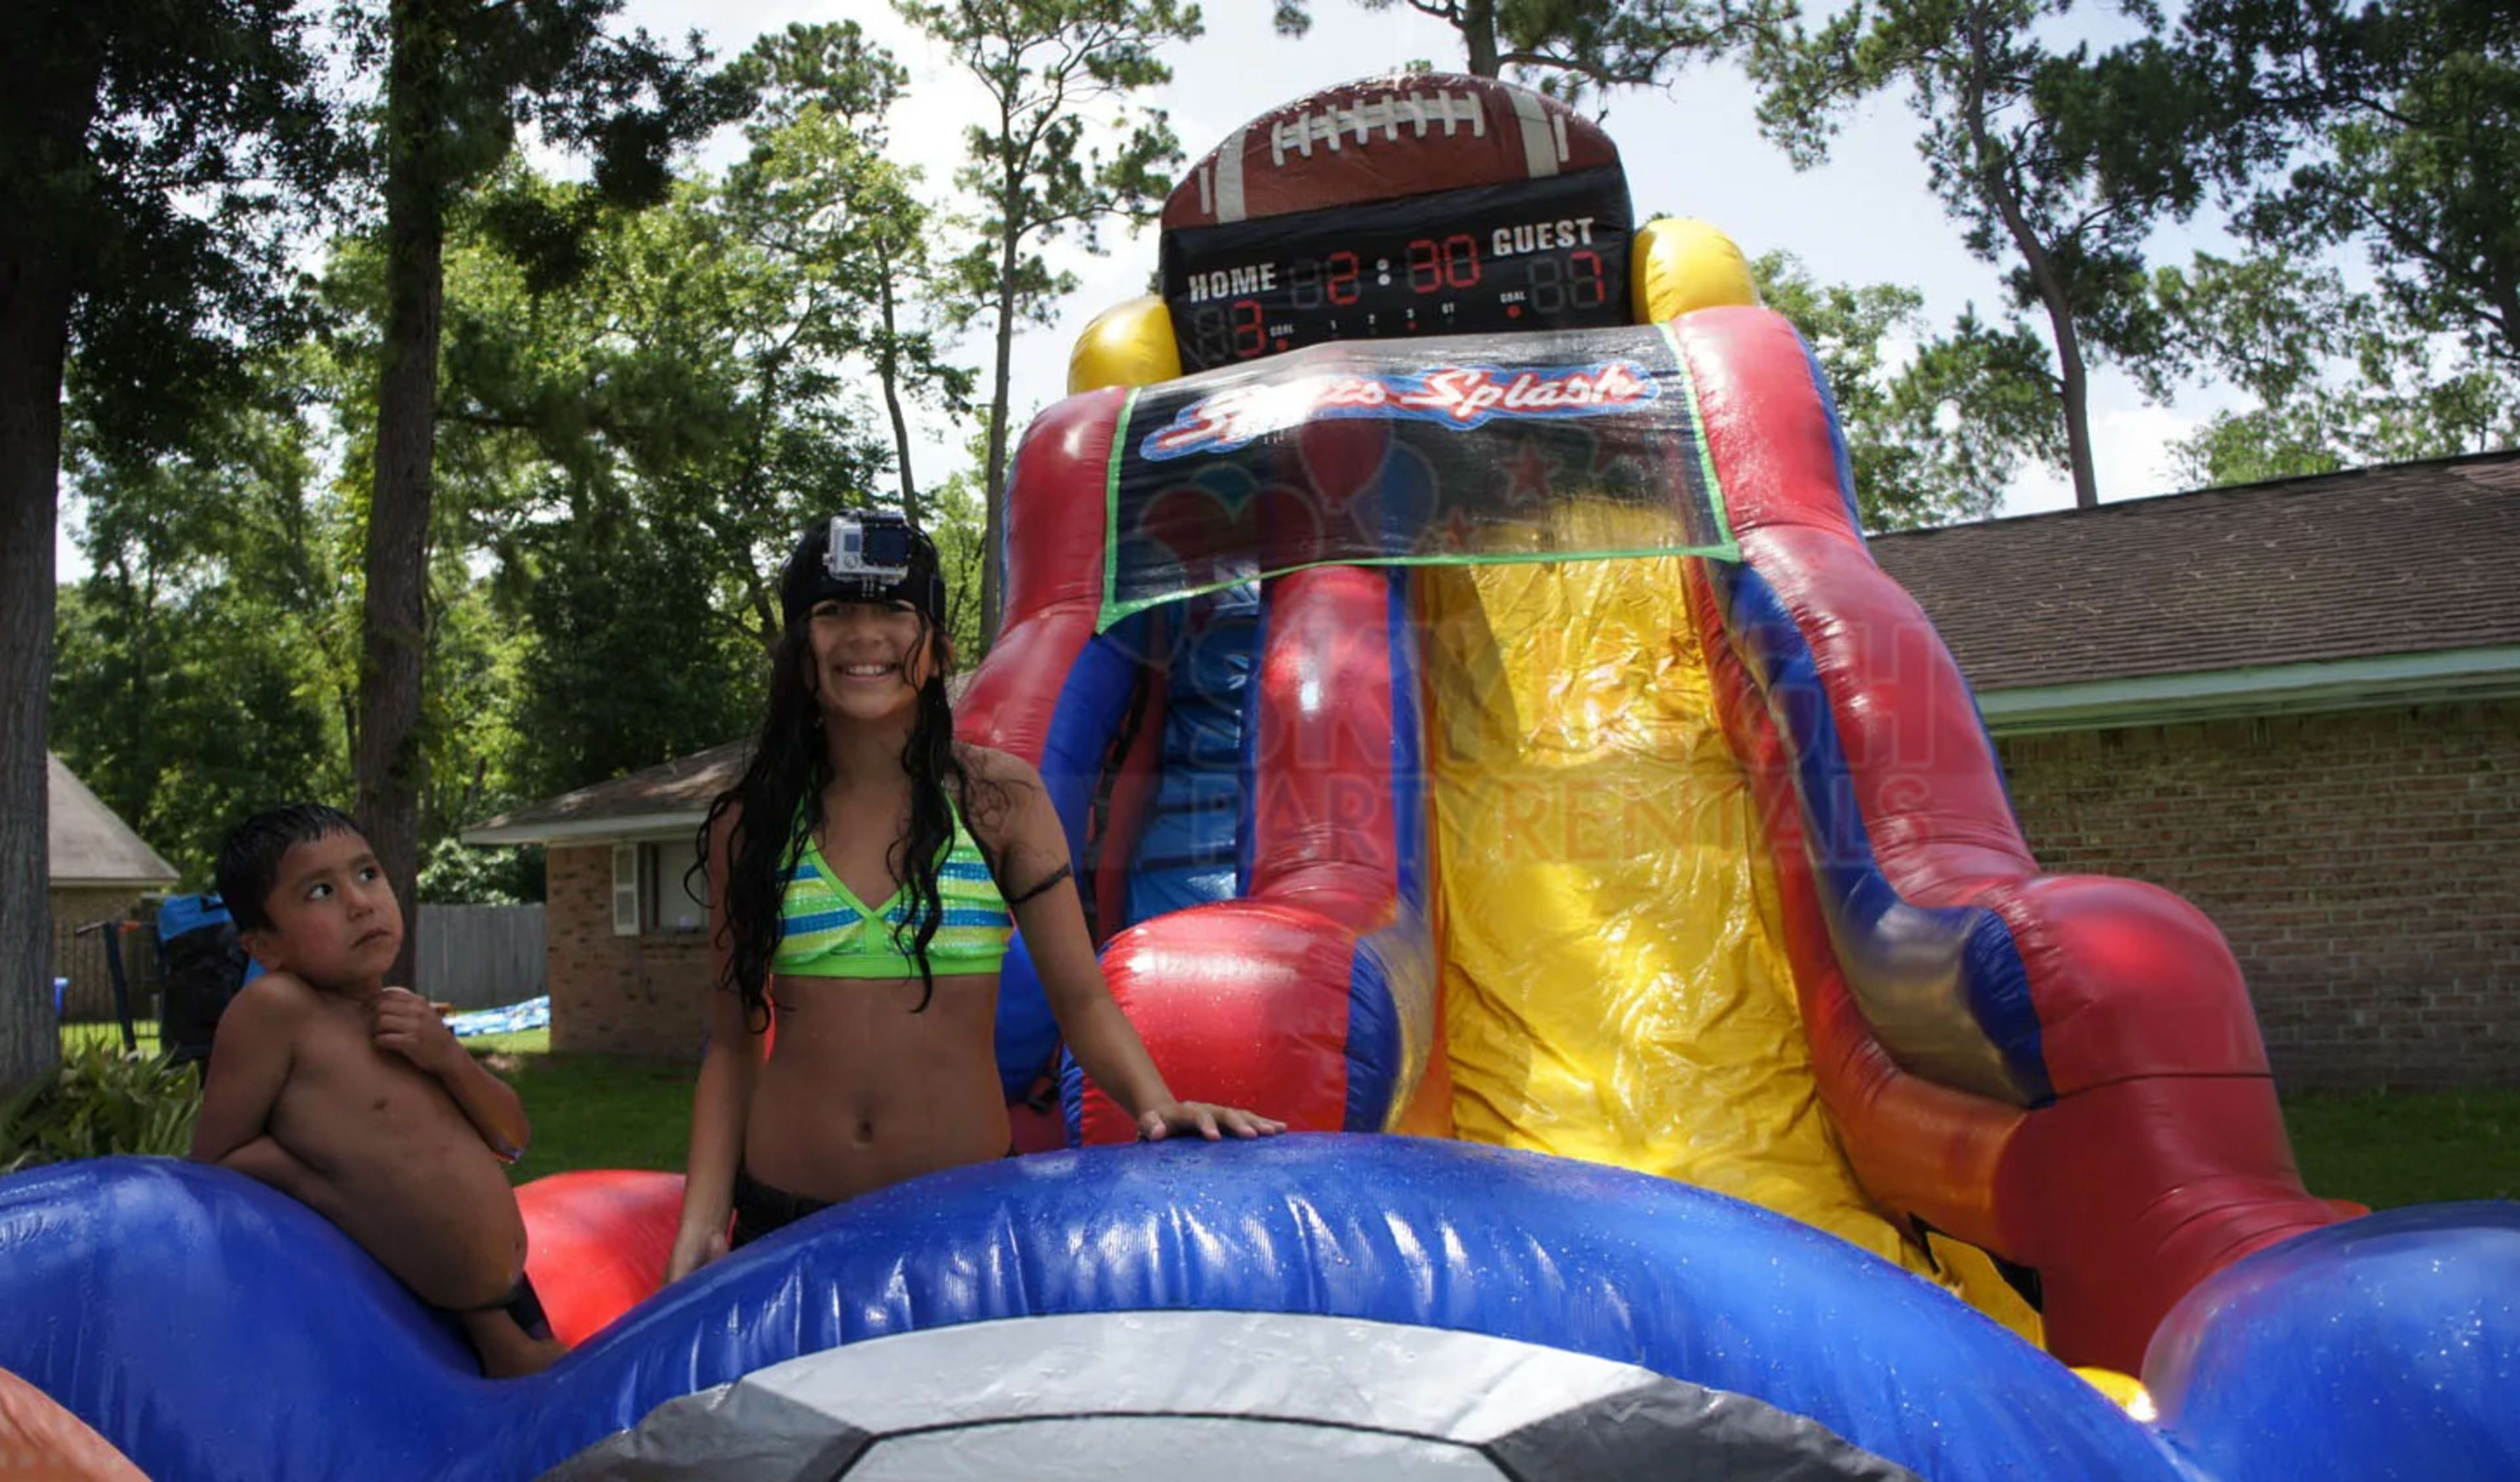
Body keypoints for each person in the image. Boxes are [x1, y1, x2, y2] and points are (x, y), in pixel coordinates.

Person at [668, 511, 1284, 1279]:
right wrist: (702, 1222)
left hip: (962, 1222)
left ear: (939, 647)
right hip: (787, 1221)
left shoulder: (997, 802)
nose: (864, 634)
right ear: (799, 649)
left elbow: (1082, 1001)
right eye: (833, 611)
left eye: (894, 610)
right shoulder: (753, 825)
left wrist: (1158, 1104)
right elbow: (732, 1045)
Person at [188, 804, 562, 1378]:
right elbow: (216, 1158)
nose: (361, 902)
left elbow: (512, 1139)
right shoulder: (279, 1009)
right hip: (412, 1312)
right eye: (320, 892)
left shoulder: (402, 1015)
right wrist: (324, 1185)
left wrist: (449, 1059)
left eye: (367, 874)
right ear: (265, 947)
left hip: (510, 1294)